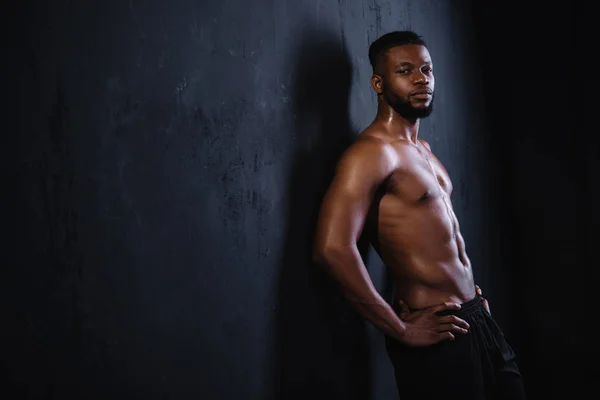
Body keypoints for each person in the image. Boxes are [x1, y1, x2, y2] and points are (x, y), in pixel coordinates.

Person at [312, 30, 526, 399]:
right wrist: (401, 329)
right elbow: (331, 248)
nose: (421, 78)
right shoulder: (371, 154)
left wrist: (472, 300)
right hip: (435, 329)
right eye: (406, 70)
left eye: (426, 69)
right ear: (378, 82)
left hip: (475, 318)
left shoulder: (423, 150)